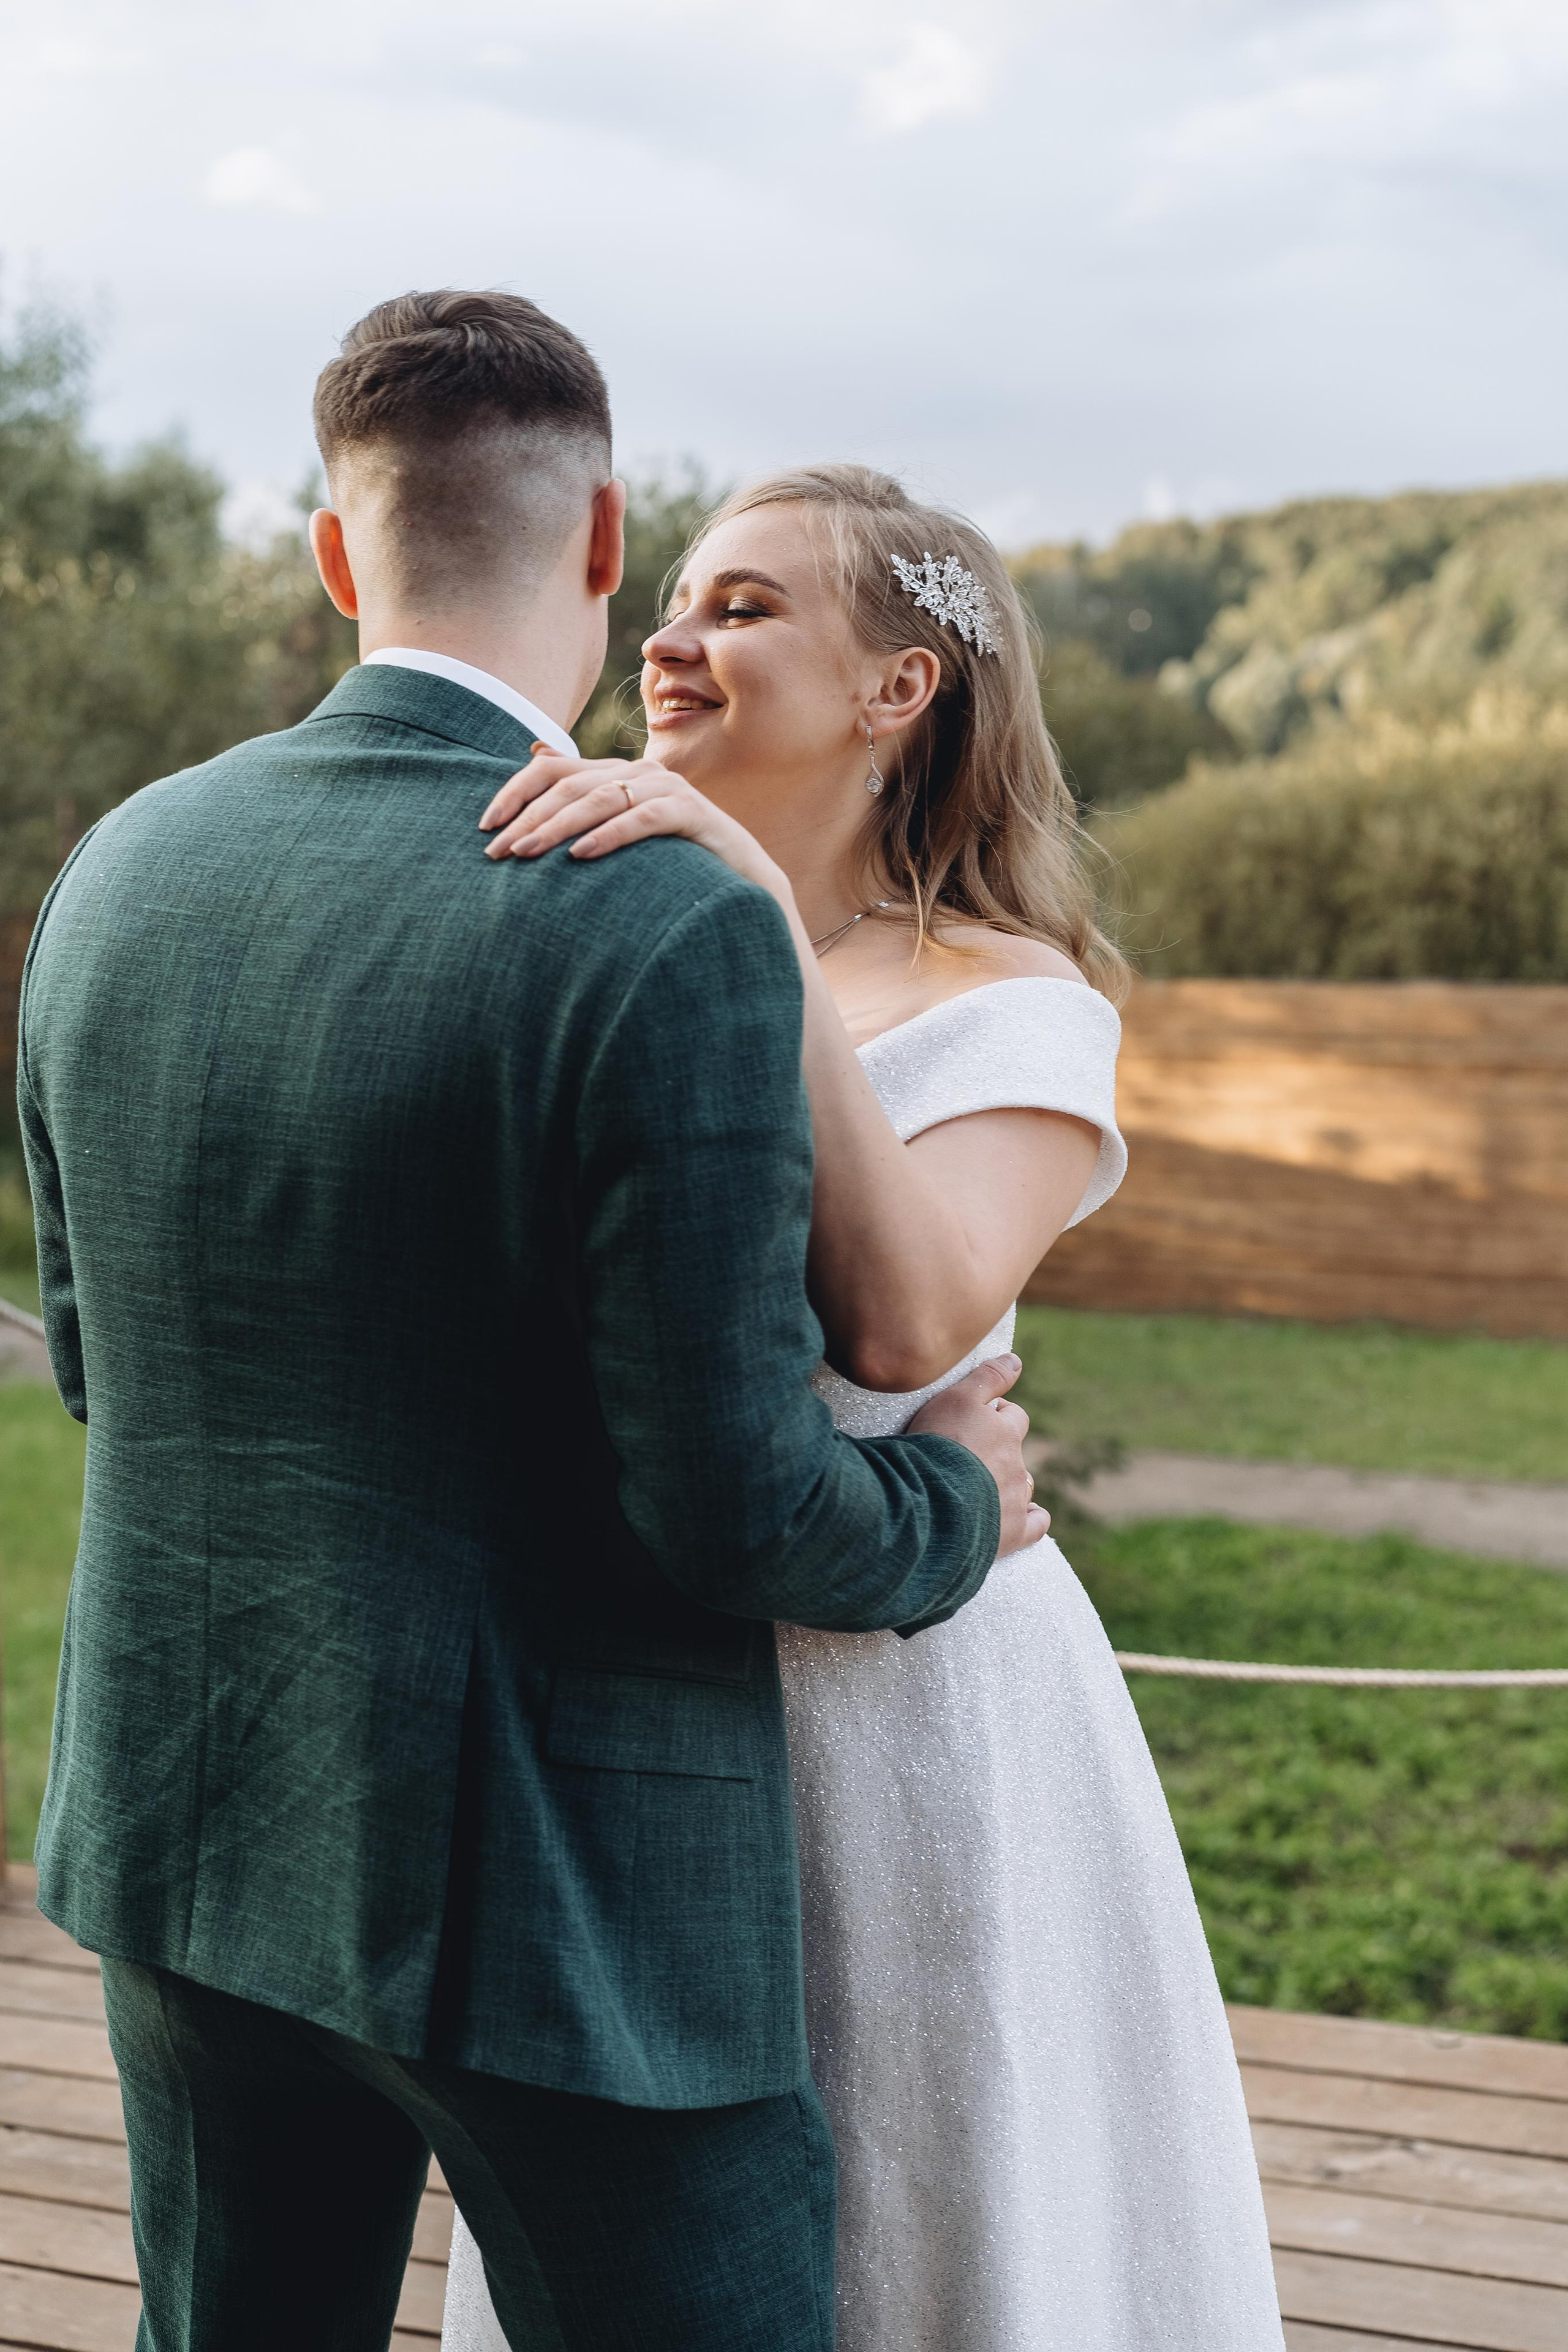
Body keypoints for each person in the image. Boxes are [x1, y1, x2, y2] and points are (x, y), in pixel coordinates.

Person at [17, 296, 1047, 2352]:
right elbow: (738, 1508)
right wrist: (951, 1500)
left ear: (338, 553)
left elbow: (93, 1365)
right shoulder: (663, 913)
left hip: (190, 1840)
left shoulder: (121, 865)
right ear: (602, 541)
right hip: (571, 1915)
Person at [442, 466, 1286, 2351]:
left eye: (743, 607)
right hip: (628, 1688)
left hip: (912, 1713)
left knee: (926, 2219)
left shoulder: (1020, 1000)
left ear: (900, 689)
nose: (669, 641)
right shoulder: (604, 931)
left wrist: (746, 905)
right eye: (676, 599)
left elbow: (908, 1326)